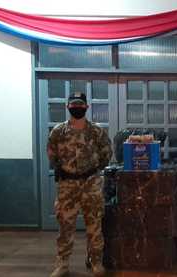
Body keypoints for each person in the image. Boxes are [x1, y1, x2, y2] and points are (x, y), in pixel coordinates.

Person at [47, 92, 112, 277]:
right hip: (67, 185)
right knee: (65, 226)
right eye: (74, 105)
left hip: (91, 184)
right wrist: (63, 170)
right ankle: (62, 264)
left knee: (94, 226)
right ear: (68, 107)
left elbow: (106, 153)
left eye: (80, 105)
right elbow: (52, 154)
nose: (77, 107)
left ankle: (96, 262)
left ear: (86, 107)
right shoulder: (58, 131)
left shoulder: (97, 131)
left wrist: (92, 170)